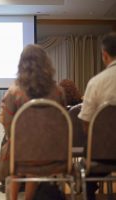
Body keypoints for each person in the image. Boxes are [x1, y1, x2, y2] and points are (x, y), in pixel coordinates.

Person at [0, 44, 66, 200]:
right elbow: (63, 124)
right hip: (54, 155)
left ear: (22, 64)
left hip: (22, 156)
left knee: (11, 146)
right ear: (46, 63)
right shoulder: (58, 91)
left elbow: (8, 127)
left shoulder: (14, 92)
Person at [78, 32, 116, 200]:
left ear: (105, 55)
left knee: (86, 167)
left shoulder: (96, 82)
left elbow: (86, 123)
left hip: (103, 153)